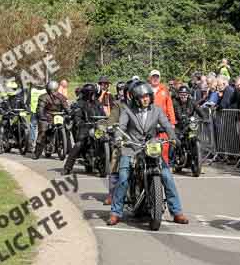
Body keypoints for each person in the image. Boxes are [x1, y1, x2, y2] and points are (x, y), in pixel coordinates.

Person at [107, 82, 189, 225]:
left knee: (167, 176)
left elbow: (167, 125)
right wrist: (119, 138)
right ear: (135, 98)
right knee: (124, 177)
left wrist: (173, 138)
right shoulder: (127, 110)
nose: (145, 99)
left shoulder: (157, 110)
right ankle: (116, 212)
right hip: (132, 147)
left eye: (147, 96)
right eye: (141, 97)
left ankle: (177, 212)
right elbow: (121, 126)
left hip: (150, 147)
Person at [62, 84, 106, 175]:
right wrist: (79, 122)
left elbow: (103, 115)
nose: (93, 95)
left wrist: (106, 120)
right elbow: (77, 117)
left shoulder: (98, 103)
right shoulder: (80, 104)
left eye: (94, 93)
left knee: (107, 140)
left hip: (97, 127)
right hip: (85, 128)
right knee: (78, 145)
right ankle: (67, 168)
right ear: (87, 94)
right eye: (91, 93)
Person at [33, 81, 70, 160]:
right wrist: (42, 116)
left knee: (66, 128)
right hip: (47, 117)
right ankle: (37, 153)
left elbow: (66, 107)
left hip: (59, 117)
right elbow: (40, 108)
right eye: (51, 90)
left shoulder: (61, 97)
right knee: (42, 132)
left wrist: (69, 113)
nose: (52, 92)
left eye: (53, 90)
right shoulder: (43, 97)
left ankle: (65, 147)